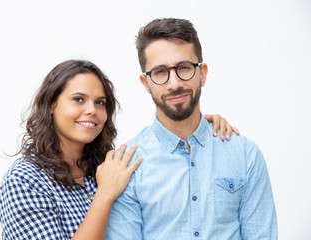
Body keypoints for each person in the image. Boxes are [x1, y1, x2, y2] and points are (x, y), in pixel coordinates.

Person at [0, 59, 236, 239]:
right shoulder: (24, 180)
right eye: (78, 99)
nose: (91, 110)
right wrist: (105, 195)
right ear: (51, 104)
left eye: (100, 102)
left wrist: (199, 129)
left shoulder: (105, 166)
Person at [106, 18, 277, 240]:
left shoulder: (245, 154)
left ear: (202, 73)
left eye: (184, 68)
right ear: (145, 83)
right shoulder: (126, 166)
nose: (174, 83)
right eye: (160, 72)